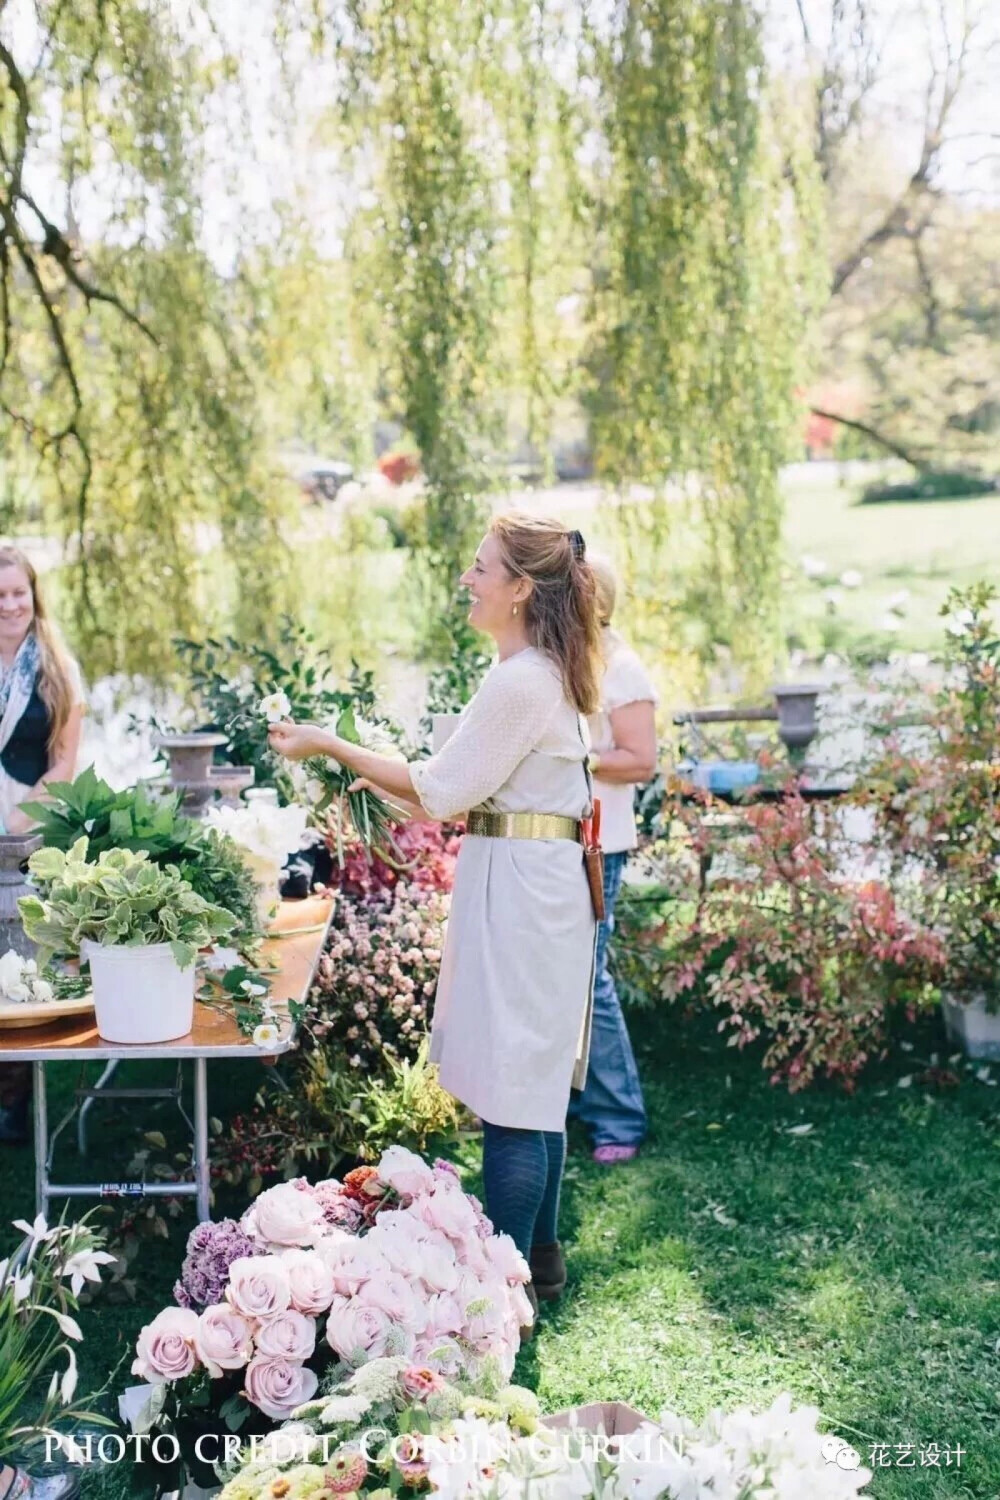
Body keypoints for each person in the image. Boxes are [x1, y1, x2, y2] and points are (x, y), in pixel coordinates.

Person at [269, 513, 601, 1325]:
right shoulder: (537, 670)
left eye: (481, 567)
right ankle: (543, 1260)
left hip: (524, 896)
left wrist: (331, 748)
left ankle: (504, 1292)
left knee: (512, 1089)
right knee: (531, 1082)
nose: (467, 578)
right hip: (531, 883)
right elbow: (456, 786)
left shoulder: (522, 679)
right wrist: (369, 771)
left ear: (521, 587)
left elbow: (444, 792)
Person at [567, 555, 657, 1164]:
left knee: (589, 979)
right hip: (561, 838)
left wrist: (573, 756)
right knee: (566, 979)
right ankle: (576, 1102)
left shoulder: (621, 667)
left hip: (605, 845)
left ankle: (620, 1118)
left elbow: (641, 759)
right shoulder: (566, 663)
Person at [0, 544, 86, 1146]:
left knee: (20, 967)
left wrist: (19, 815)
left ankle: (15, 1105)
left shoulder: (58, 667)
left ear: (34, 596)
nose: (9, 606)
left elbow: (64, 763)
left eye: (18, 593)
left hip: (25, 833)